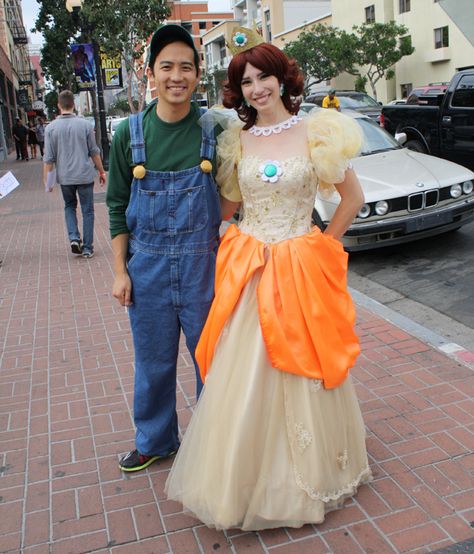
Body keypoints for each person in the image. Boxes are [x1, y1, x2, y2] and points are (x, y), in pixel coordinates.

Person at [166, 27, 372, 530]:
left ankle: (309, 473)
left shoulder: (318, 131)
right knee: (247, 370)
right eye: (247, 81)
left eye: (265, 76)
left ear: (283, 79)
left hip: (299, 265)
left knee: (305, 359)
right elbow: (229, 208)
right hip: (252, 267)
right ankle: (243, 477)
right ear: (239, 91)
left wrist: (324, 242)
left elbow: (352, 199)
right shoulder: (236, 140)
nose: (257, 88)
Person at [106, 24, 222, 473]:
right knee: (152, 361)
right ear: (150, 73)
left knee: (211, 360)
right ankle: (156, 440)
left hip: (203, 266)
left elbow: (234, 198)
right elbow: (117, 205)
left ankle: (215, 441)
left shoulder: (216, 130)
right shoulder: (128, 135)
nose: (177, 76)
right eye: (166, 66)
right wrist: (120, 271)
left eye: (186, 67)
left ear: (198, 76)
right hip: (147, 266)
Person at [43, 90, 106, 258]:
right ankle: (87, 248)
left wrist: (48, 183)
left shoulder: (50, 129)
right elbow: (94, 152)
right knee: (88, 211)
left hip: (65, 177)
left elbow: (48, 159)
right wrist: (101, 171)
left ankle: (74, 237)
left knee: (69, 206)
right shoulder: (85, 125)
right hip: (85, 175)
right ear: (73, 105)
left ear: (59, 105)